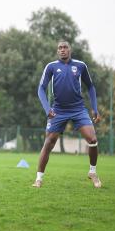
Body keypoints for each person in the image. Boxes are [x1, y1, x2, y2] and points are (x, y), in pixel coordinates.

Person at [33, 41, 102, 188]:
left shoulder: (80, 65)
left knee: (93, 139)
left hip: (78, 109)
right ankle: (38, 179)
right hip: (58, 109)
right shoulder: (51, 67)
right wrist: (47, 109)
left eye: (65, 47)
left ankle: (92, 172)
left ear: (70, 50)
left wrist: (94, 108)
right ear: (57, 51)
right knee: (49, 143)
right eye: (60, 48)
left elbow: (90, 86)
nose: (62, 50)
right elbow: (41, 89)